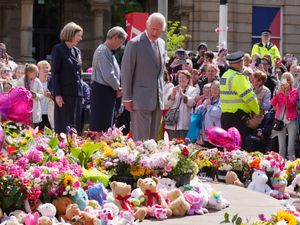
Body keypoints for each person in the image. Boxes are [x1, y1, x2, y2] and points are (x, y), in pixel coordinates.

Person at [121, 12, 166, 141]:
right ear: (147, 25)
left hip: (158, 99)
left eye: (159, 30)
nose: (156, 33)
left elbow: (160, 72)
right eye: (153, 29)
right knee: (141, 139)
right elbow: (126, 72)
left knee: (153, 140)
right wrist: (127, 98)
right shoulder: (134, 44)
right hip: (139, 99)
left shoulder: (162, 44)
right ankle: (139, 161)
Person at [90, 26, 127, 132]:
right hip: (102, 92)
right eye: (121, 41)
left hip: (106, 92)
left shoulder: (107, 51)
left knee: (106, 125)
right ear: (115, 37)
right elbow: (108, 74)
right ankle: (100, 147)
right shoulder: (103, 51)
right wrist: (117, 87)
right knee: (102, 127)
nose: (120, 45)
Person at [220, 51, 260, 148]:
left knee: (228, 148)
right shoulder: (238, 78)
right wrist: (257, 112)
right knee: (240, 148)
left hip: (226, 117)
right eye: (241, 61)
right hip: (238, 118)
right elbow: (250, 98)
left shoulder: (225, 75)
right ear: (239, 63)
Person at [51, 22, 83, 134]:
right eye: (78, 35)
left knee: (75, 125)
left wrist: (81, 93)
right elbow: (55, 73)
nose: (80, 38)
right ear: (70, 34)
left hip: (77, 94)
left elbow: (79, 74)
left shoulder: (77, 51)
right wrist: (57, 94)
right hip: (64, 94)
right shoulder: (58, 49)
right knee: (64, 125)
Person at [271, 72, 299, 160]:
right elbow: (273, 104)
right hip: (280, 120)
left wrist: (287, 93)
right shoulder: (278, 91)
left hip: (291, 120)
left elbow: (290, 105)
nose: (286, 82)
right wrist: (277, 94)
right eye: (284, 80)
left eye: (288, 80)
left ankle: (292, 167)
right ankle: (280, 166)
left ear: (291, 81)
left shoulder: (295, 91)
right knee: (281, 148)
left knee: (290, 148)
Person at [164, 70, 198, 139]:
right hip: (172, 123)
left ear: (188, 79)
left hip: (184, 123)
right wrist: (172, 96)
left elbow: (192, 103)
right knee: (172, 144)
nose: (181, 79)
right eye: (179, 77)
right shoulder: (173, 89)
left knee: (183, 144)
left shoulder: (193, 90)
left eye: (183, 77)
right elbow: (167, 104)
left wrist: (182, 95)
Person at [198, 80, 222, 147]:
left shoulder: (222, 100)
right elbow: (201, 113)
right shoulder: (208, 100)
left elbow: (218, 113)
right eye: (213, 88)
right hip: (205, 133)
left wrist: (208, 106)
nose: (215, 90)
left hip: (216, 133)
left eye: (217, 88)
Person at [37, 60, 53, 130]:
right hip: (38, 112)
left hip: (49, 112)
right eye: (43, 68)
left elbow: (57, 94)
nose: (46, 69)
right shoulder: (35, 81)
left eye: (47, 67)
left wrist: (50, 95)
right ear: (38, 70)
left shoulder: (52, 81)